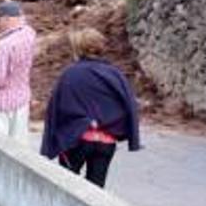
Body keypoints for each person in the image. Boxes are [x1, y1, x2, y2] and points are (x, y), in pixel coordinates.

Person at [40, 29, 142, 188]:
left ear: (78, 48)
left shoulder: (70, 74)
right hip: (106, 142)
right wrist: (109, 124)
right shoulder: (115, 75)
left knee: (67, 186)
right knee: (96, 191)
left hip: (76, 140)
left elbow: (57, 108)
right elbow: (128, 106)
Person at [0, 0, 37, 145]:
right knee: (19, 146)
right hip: (21, 98)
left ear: (7, 19)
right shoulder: (29, 33)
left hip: (0, 104)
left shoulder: (4, 46)